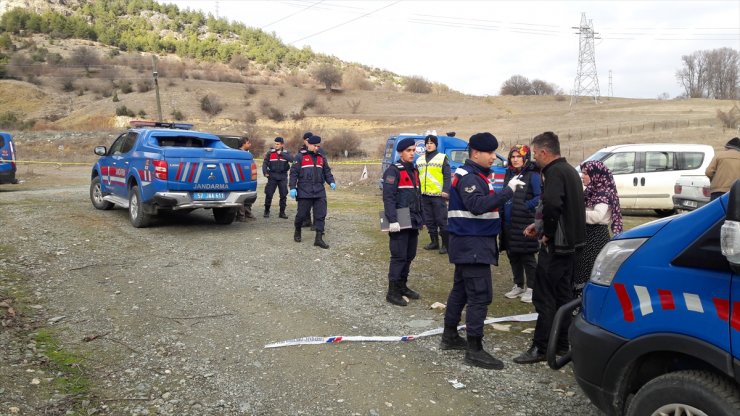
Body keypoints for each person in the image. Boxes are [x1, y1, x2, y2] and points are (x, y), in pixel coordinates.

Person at [441, 132, 523, 370]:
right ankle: (474, 349)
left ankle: (450, 336)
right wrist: (507, 191)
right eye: (489, 153)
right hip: (472, 243)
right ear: (476, 153)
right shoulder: (469, 177)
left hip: (471, 242)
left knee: (461, 291)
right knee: (479, 295)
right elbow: (477, 206)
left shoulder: (478, 175)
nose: (493, 158)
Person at [514, 131, 585, 365]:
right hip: (572, 247)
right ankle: (562, 343)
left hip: (557, 248)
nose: (534, 157)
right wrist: (539, 225)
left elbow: (553, 205)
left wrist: (548, 233)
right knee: (563, 297)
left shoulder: (554, 172)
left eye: (535, 153)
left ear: (544, 152)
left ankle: (541, 347)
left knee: (544, 297)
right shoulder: (571, 172)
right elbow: (562, 208)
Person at [382, 137, 424, 306]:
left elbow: (417, 196)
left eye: (414, 150)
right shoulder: (393, 171)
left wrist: (422, 218)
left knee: (409, 255)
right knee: (399, 256)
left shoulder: (414, 170)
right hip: (399, 217)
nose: (412, 153)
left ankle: (402, 286)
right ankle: (392, 292)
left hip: (413, 218)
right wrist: (392, 220)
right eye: (409, 151)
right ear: (401, 152)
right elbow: (389, 197)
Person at [572, 160, 622, 298]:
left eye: (586, 173)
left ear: (596, 175)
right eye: (582, 172)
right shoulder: (591, 191)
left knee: (588, 270)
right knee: (581, 268)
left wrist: (575, 214)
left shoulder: (603, 192)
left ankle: (584, 303)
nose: (582, 176)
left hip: (595, 237)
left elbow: (598, 216)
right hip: (587, 234)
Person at [501, 144, 541, 303]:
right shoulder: (509, 173)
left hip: (525, 222)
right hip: (509, 222)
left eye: (519, 156)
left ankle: (532, 288)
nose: (515, 159)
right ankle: (518, 284)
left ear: (525, 158)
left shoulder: (533, 175)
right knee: (513, 255)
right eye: (513, 156)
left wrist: (525, 206)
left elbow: (539, 196)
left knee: (527, 257)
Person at [289, 135, 336, 249]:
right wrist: (292, 187)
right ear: (308, 144)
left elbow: (327, 172)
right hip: (305, 191)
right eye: (315, 146)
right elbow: (294, 173)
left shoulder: (321, 158)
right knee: (301, 215)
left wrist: (331, 182)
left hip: (319, 191)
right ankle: (298, 230)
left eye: (318, 146)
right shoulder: (300, 157)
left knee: (321, 215)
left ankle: (318, 238)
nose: (317, 148)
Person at [416, 134, 451, 254]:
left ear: (435, 144)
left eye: (431, 143)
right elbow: (417, 177)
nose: (429, 145)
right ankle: (434, 242)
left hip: (438, 195)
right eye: (427, 143)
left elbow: (447, 176)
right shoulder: (419, 159)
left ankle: (446, 245)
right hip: (424, 195)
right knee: (429, 221)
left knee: (441, 220)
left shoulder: (442, 158)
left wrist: (446, 190)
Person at [262, 136, 292, 218]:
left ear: (282, 144)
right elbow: (265, 163)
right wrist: (265, 172)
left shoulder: (286, 153)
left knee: (283, 195)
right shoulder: (270, 153)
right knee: (269, 194)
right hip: (272, 176)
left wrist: (281, 153)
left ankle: (282, 213)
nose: (276, 146)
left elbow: (291, 159)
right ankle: (266, 211)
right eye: (275, 144)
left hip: (282, 176)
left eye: (278, 144)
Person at [236, 136, 256, 222]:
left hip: (248, 179)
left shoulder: (247, 153)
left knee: (248, 197)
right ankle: (241, 216)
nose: (250, 144)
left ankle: (247, 214)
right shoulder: (238, 154)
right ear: (243, 144)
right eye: (248, 143)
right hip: (240, 179)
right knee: (240, 197)